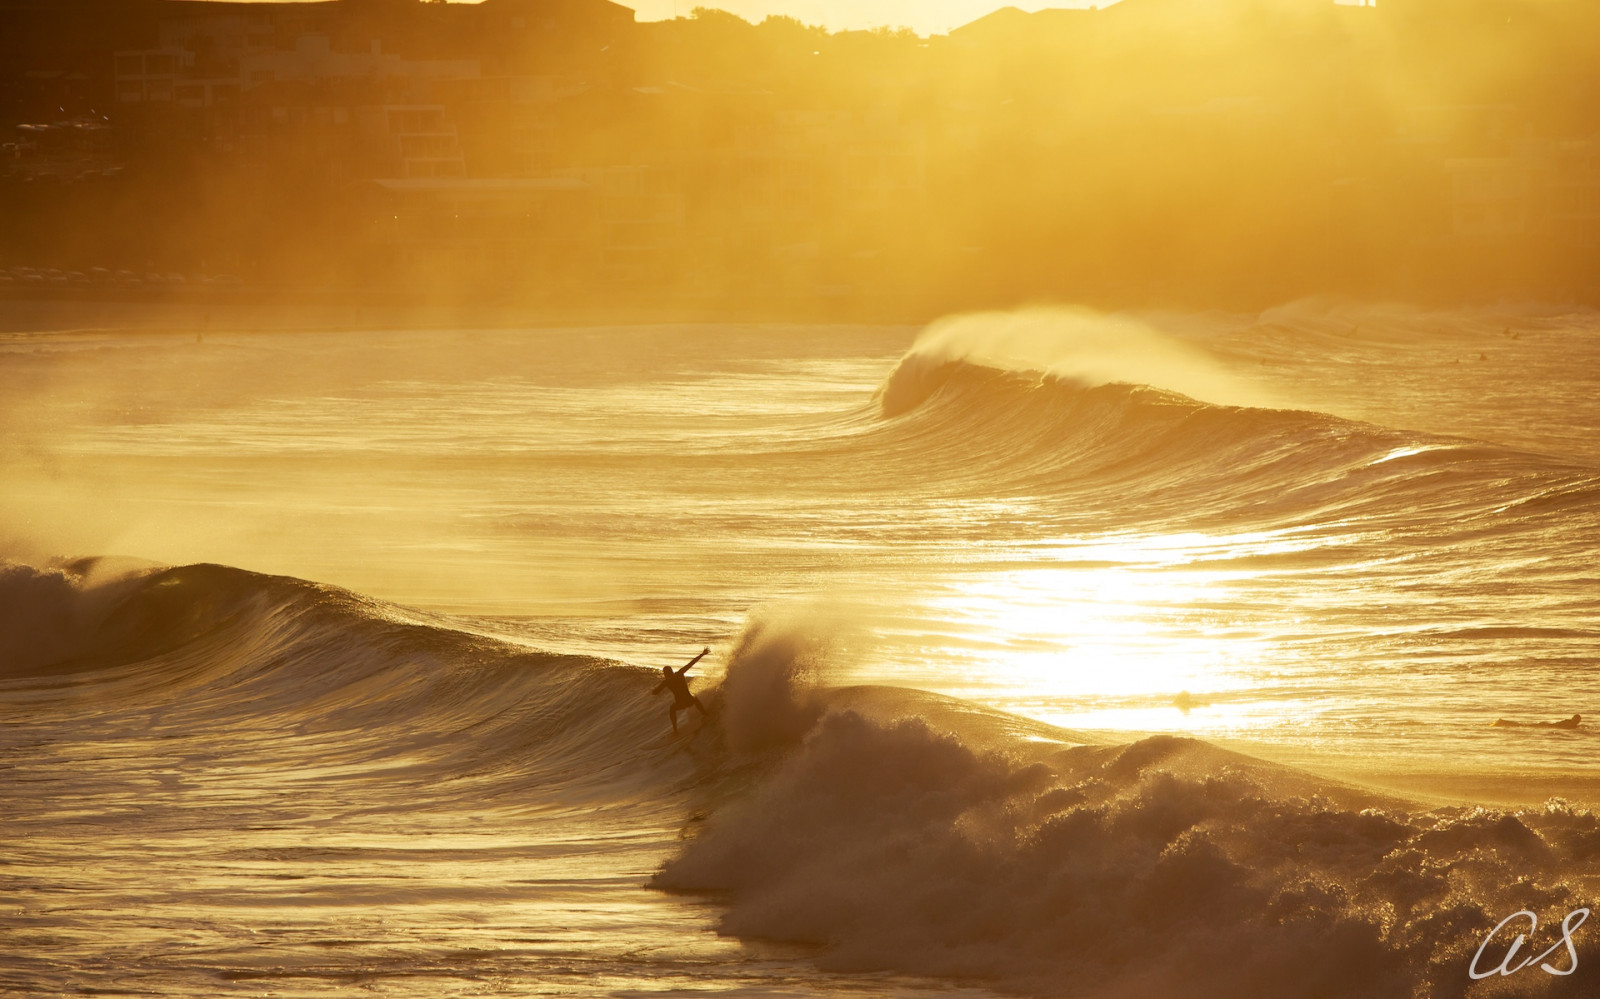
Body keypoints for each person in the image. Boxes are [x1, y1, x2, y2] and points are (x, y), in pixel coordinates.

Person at [653, 647, 710, 734]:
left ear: (666, 674)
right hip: (689, 701)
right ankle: (705, 714)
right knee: (695, 699)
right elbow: (691, 663)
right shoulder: (679, 674)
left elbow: (656, 692)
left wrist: (653, 691)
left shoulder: (666, 682)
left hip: (680, 704)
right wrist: (702, 654)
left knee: (672, 708)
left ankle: (675, 730)